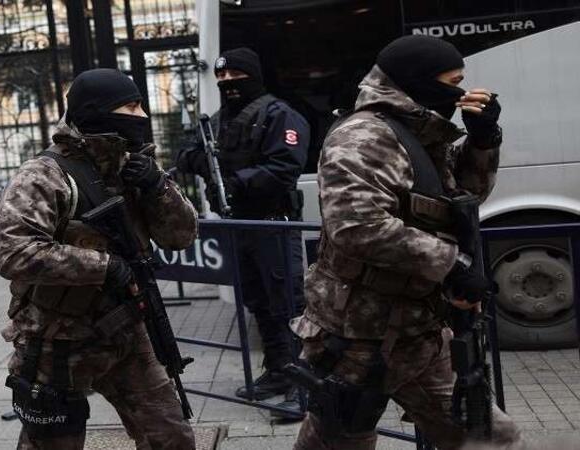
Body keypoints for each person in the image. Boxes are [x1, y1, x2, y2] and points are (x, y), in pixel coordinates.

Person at [292, 36, 522, 449]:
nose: (461, 94)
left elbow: (462, 195)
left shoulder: (418, 130)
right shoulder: (363, 137)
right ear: (418, 82)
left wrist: (483, 140)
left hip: (417, 329)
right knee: (340, 438)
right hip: (357, 337)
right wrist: (451, 265)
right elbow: (357, 226)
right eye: (452, 83)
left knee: (491, 438)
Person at [0, 68, 198, 450]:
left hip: (125, 331)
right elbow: (12, 251)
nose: (142, 116)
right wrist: (105, 267)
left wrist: (157, 187)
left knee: (171, 437)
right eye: (131, 107)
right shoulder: (44, 176)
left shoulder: (134, 167)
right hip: (57, 341)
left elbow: (181, 236)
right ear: (98, 111)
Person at [176, 47, 310, 415]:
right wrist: (202, 160)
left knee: (288, 302)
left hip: (272, 222)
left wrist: (238, 182)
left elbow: (285, 167)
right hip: (238, 225)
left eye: (236, 76)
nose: (228, 83)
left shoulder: (278, 114)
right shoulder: (218, 121)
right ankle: (279, 370)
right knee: (258, 301)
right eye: (221, 77)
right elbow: (186, 154)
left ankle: (304, 385)